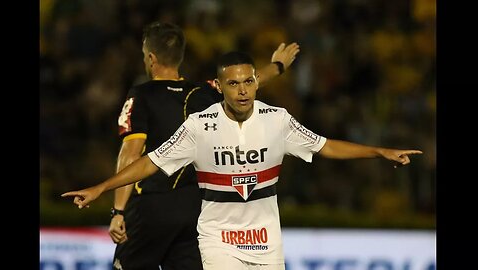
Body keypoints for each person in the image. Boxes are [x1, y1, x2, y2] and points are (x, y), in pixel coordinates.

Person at [62, 51, 423, 270]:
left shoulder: (276, 119)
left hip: (267, 240)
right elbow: (150, 162)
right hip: (218, 240)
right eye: (233, 84)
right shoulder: (200, 126)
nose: (243, 90)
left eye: (249, 81)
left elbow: (326, 146)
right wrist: (101, 188)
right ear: (219, 87)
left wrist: (378, 151)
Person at [108, 22, 300, 270]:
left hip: (152, 205)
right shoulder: (205, 92)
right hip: (195, 208)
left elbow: (131, 154)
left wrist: (118, 211)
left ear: (151, 57)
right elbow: (250, 83)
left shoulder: (142, 95)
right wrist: (278, 66)